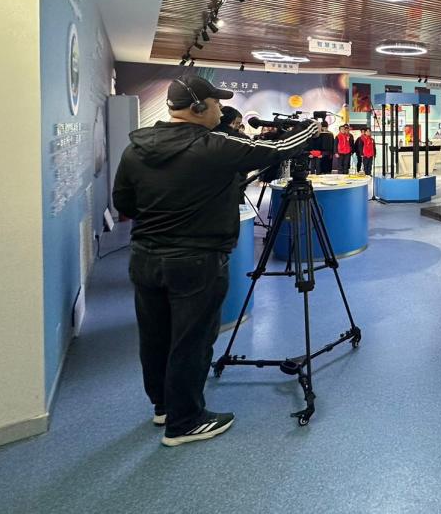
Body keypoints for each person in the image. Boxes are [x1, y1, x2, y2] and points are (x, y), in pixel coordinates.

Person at [112, 76, 321, 446]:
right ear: (197, 108)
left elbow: (124, 204)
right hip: (197, 261)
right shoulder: (214, 145)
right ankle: (185, 421)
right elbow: (276, 150)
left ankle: (164, 407)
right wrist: (310, 129)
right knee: (191, 340)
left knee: (156, 337)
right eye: (215, 104)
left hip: (145, 259)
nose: (221, 110)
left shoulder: (136, 148)